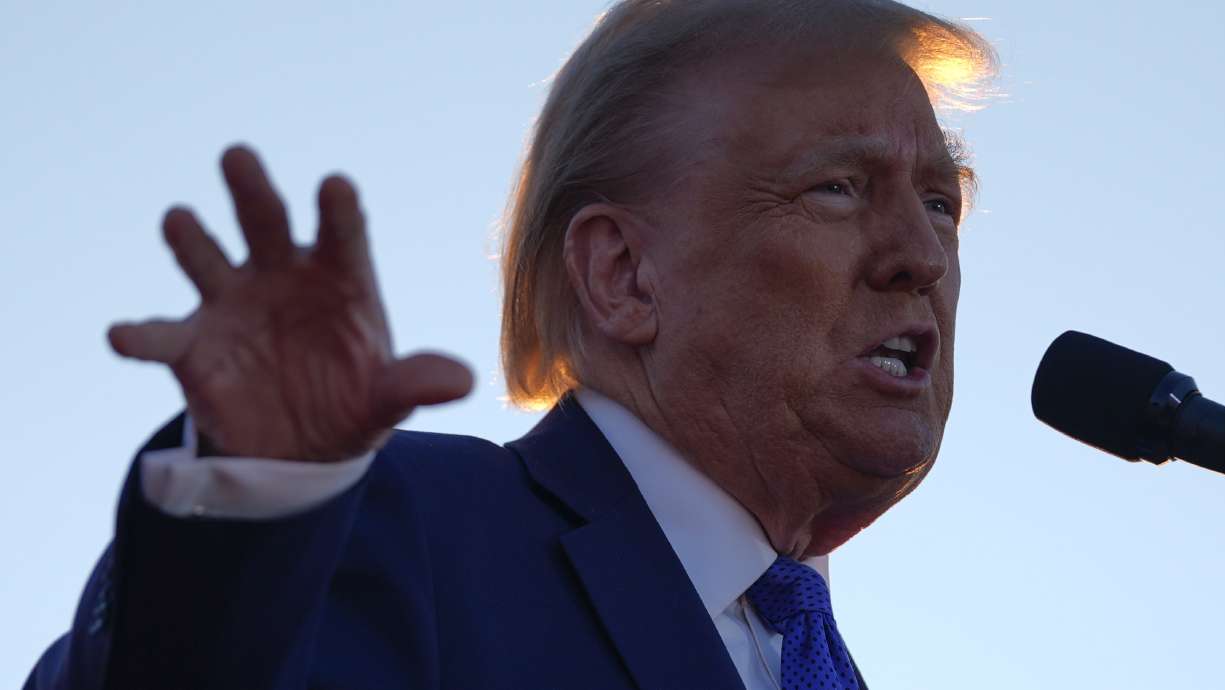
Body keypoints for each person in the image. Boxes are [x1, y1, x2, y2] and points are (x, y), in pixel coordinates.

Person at [25, 1, 996, 688]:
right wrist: (258, 503)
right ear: (622, 274)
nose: (920, 255)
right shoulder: (405, 530)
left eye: (939, 202)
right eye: (837, 188)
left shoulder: (815, 667)